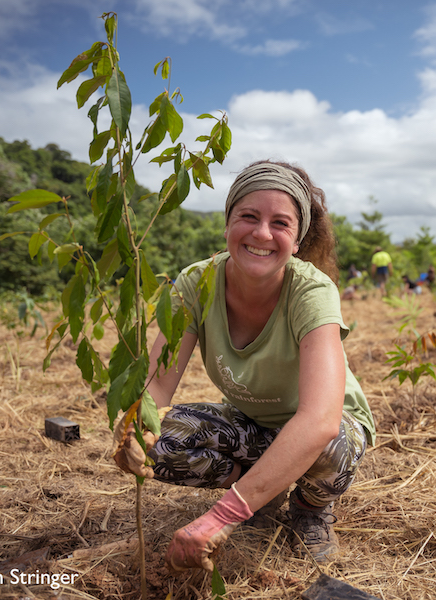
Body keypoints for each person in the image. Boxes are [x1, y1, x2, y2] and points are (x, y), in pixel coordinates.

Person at [112, 160, 375, 570]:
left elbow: (320, 420)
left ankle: (308, 507)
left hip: (326, 428)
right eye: (248, 217)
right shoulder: (197, 283)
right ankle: (262, 493)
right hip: (252, 424)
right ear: (227, 224)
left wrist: (221, 516)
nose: (262, 233)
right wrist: (132, 431)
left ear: (298, 237)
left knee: (331, 445)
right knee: (161, 441)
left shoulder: (312, 292)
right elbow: (157, 388)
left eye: (280, 223)